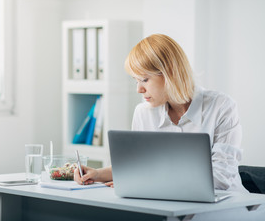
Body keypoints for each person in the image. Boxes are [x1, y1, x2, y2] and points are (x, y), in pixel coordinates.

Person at [74, 34, 248, 192]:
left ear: (170, 72)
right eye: (135, 81)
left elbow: (220, 178)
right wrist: (97, 174)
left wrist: (143, 182)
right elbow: (139, 166)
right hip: (168, 203)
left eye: (144, 79)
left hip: (228, 205)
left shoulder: (221, 106)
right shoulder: (143, 112)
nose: (139, 89)